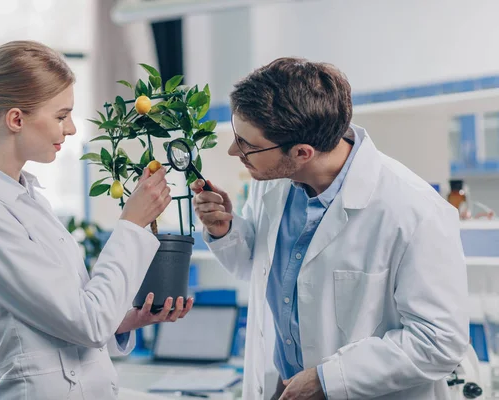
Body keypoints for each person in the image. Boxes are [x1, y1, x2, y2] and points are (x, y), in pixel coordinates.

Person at [191, 57, 468, 400]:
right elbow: (258, 269)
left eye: (247, 144)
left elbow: (439, 341)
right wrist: (225, 230)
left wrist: (328, 380)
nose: (234, 151)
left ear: (302, 152)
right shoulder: (274, 181)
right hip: (280, 386)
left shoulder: (414, 210)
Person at [0, 40, 193, 400]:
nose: (72, 129)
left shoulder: (26, 199)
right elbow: (87, 324)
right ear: (16, 119)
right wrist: (132, 224)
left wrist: (124, 319)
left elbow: (64, 317)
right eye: (61, 115)